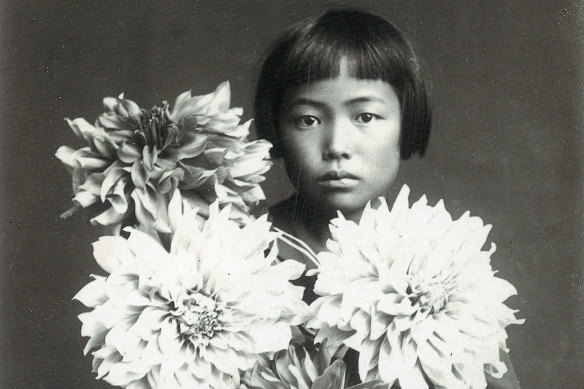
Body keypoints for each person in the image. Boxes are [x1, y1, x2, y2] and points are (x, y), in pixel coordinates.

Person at [254, 8, 520, 389]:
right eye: (308, 120)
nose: (337, 146)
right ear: (276, 128)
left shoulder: (444, 259)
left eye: (365, 117)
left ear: (406, 123)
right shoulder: (242, 251)